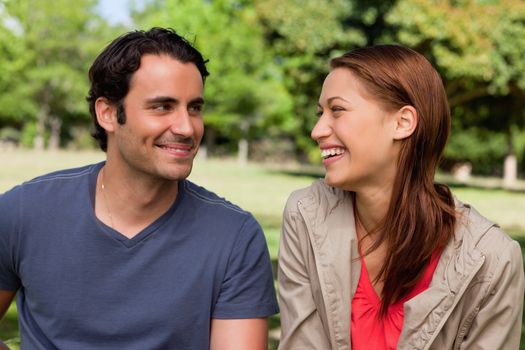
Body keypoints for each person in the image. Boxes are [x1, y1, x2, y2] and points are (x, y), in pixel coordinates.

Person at [0, 27, 278, 349]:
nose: (187, 127)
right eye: (162, 106)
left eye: (195, 108)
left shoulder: (235, 237)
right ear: (107, 113)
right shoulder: (23, 213)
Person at [277, 45, 524, 349]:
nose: (317, 130)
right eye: (320, 113)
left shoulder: (492, 260)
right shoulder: (306, 215)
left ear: (403, 122)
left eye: (337, 110)